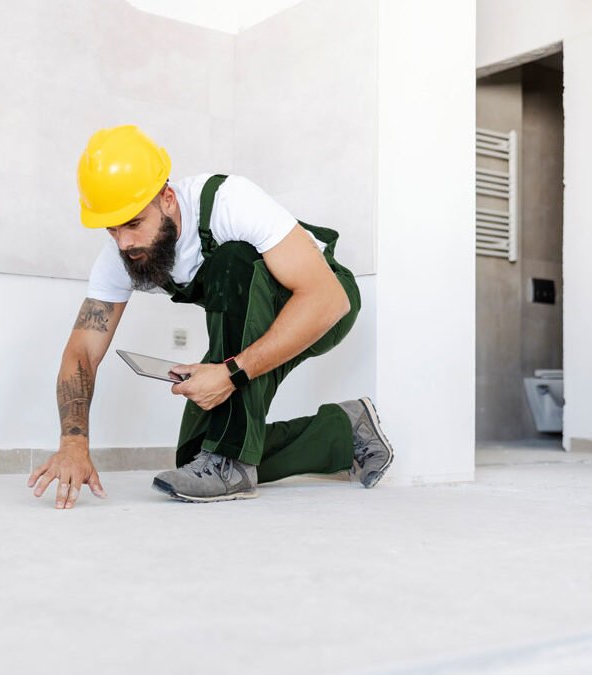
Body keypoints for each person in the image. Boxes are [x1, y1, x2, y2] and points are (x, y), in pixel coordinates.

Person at [28, 125, 394, 509]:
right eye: (113, 229)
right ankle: (346, 431)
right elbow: (82, 352)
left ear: (167, 198)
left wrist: (231, 373)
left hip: (318, 304)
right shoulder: (121, 256)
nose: (125, 242)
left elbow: (329, 300)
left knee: (232, 261)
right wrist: (73, 443)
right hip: (253, 320)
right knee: (193, 456)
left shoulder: (229, 203)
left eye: (134, 223)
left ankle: (229, 462)